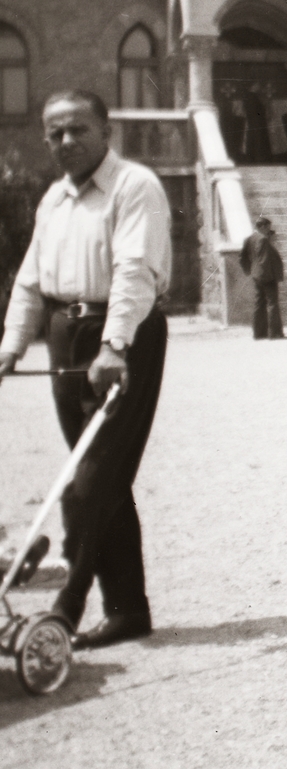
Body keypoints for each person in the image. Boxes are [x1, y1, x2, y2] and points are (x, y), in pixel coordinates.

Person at [0, 89, 172, 649]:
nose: (66, 142)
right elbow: (31, 277)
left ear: (105, 130)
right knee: (104, 480)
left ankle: (65, 606)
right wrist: (11, 346)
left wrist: (115, 345)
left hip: (121, 337)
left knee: (86, 481)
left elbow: (134, 271)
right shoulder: (54, 198)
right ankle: (128, 612)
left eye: (78, 129)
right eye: (55, 133)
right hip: (65, 337)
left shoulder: (133, 186)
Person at [238, 216, 285, 339]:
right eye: (268, 227)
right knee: (272, 304)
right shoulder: (263, 239)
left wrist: (250, 271)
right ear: (262, 226)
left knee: (258, 304)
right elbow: (264, 260)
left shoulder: (249, 239)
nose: (269, 230)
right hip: (267, 276)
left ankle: (259, 333)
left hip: (256, 275)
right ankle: (275, 333)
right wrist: (268, 277)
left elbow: (242, 258)